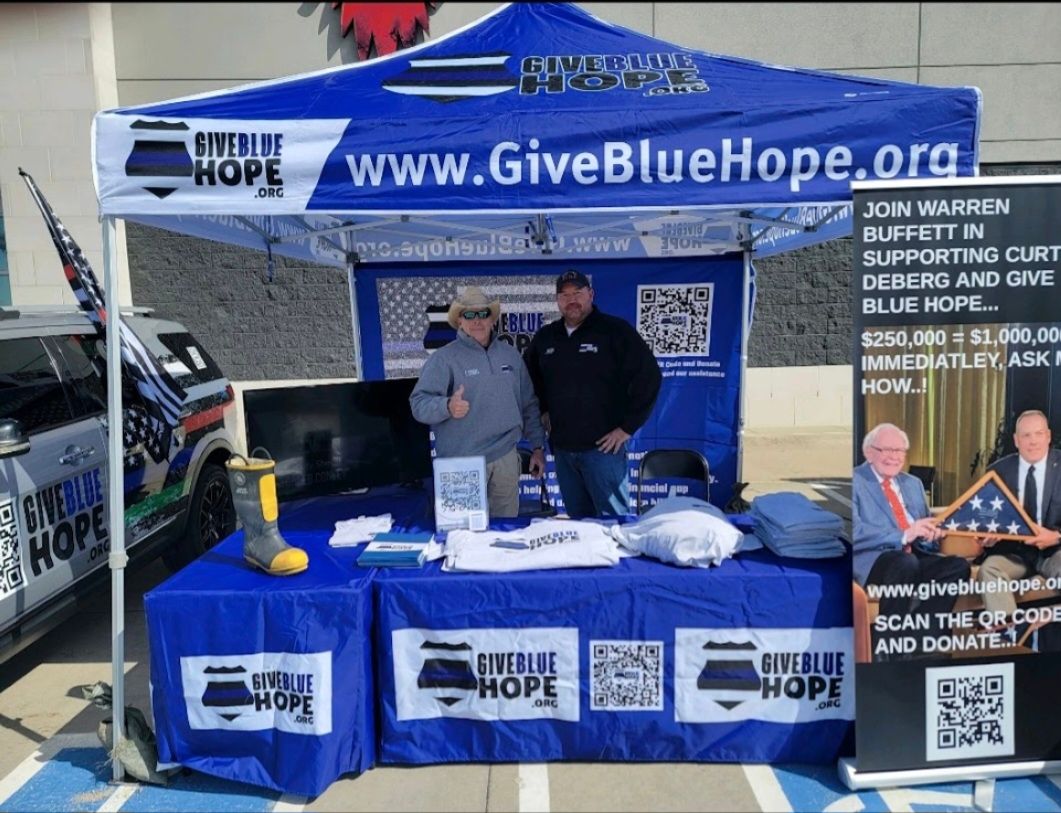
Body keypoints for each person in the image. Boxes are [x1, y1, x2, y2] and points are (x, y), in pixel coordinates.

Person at [525, 269, 662, 518]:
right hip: (564, 450)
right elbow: (530, 381)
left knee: (615, 523)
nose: (571, 300)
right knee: (579, 525)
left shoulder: (615, 331)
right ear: (557, 300)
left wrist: (627, 428)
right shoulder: (546, 337)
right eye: (564, 295)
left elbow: (649, 377)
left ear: (591, 294)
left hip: (603, 452)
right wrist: (544, 409)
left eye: (577, 292)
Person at [409, 286, 545, 519]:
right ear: (459, 320)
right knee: (462, 538)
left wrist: (538, 447)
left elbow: (528, 404)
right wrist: (447, 406)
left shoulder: (510, 355)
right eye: (469, 315)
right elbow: (419, 404)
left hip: (505, 458)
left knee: (505, 535)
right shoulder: (444, 358)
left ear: (492, 318)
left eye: (482, 314)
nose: (476, 321)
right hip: (460, 463)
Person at [852, 422, 970, 657]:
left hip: (913, 555)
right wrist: (904, 535)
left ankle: (918, 638)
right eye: (886, 450)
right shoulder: (855, 481)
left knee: (957, 567)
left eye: (900, 451)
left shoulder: (912, 484)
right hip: (875, 559)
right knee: (904, 564)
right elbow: (853, 532)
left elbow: (924, 537)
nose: (894, 457)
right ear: (869, 452)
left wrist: (931, 534)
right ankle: (888, 647)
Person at [976, 409, 1061, 645]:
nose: (1032, 441)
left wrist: (1055, 536)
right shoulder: (998, 471)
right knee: (989, 569)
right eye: (1025, 435)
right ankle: (1010, 640)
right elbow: (986, 519)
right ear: (1016, 440)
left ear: (1048, 436)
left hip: (1054, 551)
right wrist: (987, 536)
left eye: (1038, 434)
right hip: (1014, 553)